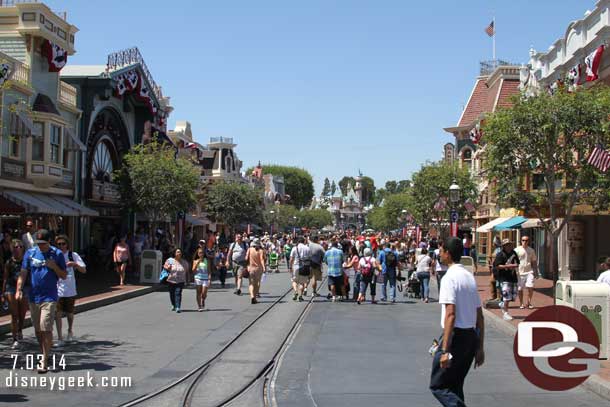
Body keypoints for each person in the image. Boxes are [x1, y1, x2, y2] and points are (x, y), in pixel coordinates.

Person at [430, 237, 485, 406]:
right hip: (469, 337)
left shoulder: (449, 277)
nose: (439, 254)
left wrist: (445, 349)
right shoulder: (468, 277)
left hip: (455, 337)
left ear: (447, 253)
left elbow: (450, 314)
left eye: (441, 250)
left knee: (438, 385)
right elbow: (480, 316)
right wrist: (479, 346)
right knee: (455, 385)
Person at [16, 229, 67, 373]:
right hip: (33, 296)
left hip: (49, 297)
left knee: (46, 327)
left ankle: (43, 360)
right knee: (38, 330)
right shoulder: (30, 253)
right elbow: (24, 272)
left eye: (43, 243)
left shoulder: (56, 254)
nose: (41, 246)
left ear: (49, 241)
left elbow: (63, 275)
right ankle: (45, 351)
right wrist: (19, 289)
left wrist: (54, 266)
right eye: (38, 243)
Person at [54, 235, 86, 347]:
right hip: (57, 289)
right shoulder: (54, 255)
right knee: (57, 313)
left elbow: (83, 270)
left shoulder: (73, 255)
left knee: (69, 314)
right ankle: (59, 337)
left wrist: (75, 264)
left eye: (63, 244)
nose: (61, 246)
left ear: (67, 244)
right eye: (59, 244)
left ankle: (69, 330)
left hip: (70, 289)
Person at [2, 239, 28, 349]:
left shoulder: (26, 261)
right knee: (14, 314)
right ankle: (15, 338)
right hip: (11, 288)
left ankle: (20, 330)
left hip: (24, 288)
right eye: (16, 247)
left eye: (20, 247)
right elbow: (5, 278)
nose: (18, 249)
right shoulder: (9, 262)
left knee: (22, 314)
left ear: (23, 249)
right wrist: (2, 294)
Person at [493, 239, 520, 321]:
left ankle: (502, 303)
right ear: (503, 246)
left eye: (509, 245)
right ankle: (506, 313)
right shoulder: (500, 254)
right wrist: (507, 266)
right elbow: (497, 266)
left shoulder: (514, 253)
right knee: (507, 295)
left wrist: (515, 265)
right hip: (504, 277)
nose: (508, 246)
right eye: (506, 245)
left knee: (513, 296)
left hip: (512, 277)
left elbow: (517, 263)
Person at [515, 236, 538, 309]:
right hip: (519, 272)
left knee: (530, 287)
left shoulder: (531, 250)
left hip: (529, 271)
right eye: (523, 240)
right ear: (521, 241)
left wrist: (536, 272)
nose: (525, 242)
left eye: (526, 240)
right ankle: (521, 303)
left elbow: (534, 261)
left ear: (528, 241)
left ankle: (529, 302)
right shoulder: (516, 250)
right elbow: (513, 261)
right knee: (520, 289)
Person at [164, 248, 189, 313]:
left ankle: (178, 307)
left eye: (180, 252)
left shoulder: (184, 262)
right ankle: (173, 304)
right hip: (171, 280)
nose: (179, 253)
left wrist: (188, 280)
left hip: (180, 281)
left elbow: (187, 272)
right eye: (177, 252)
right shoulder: (170, 260)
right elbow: (165, 267)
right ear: (174, 253)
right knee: (172, 294)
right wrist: (168, 268)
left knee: (178, 293)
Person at [289, 236, 311, 302]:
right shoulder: (307, 248)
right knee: (302, 283)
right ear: (304, 241)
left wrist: (290, 267)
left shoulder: (294, 248)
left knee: (294, 281)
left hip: (296, 266)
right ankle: (300, 296)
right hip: (305, 267)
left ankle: (296, 291)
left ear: (298, 242)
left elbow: (291, 259)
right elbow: (310, 258)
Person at [245, 238, 266, 304]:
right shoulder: (260, 251)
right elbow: (262, 260)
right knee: (257, 284)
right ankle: (255, 297)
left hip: (251, 268)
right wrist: (264, 267)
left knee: (251, 283)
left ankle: (252, 296)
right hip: (258, 269)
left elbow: (246, 258)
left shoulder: (250, 249)